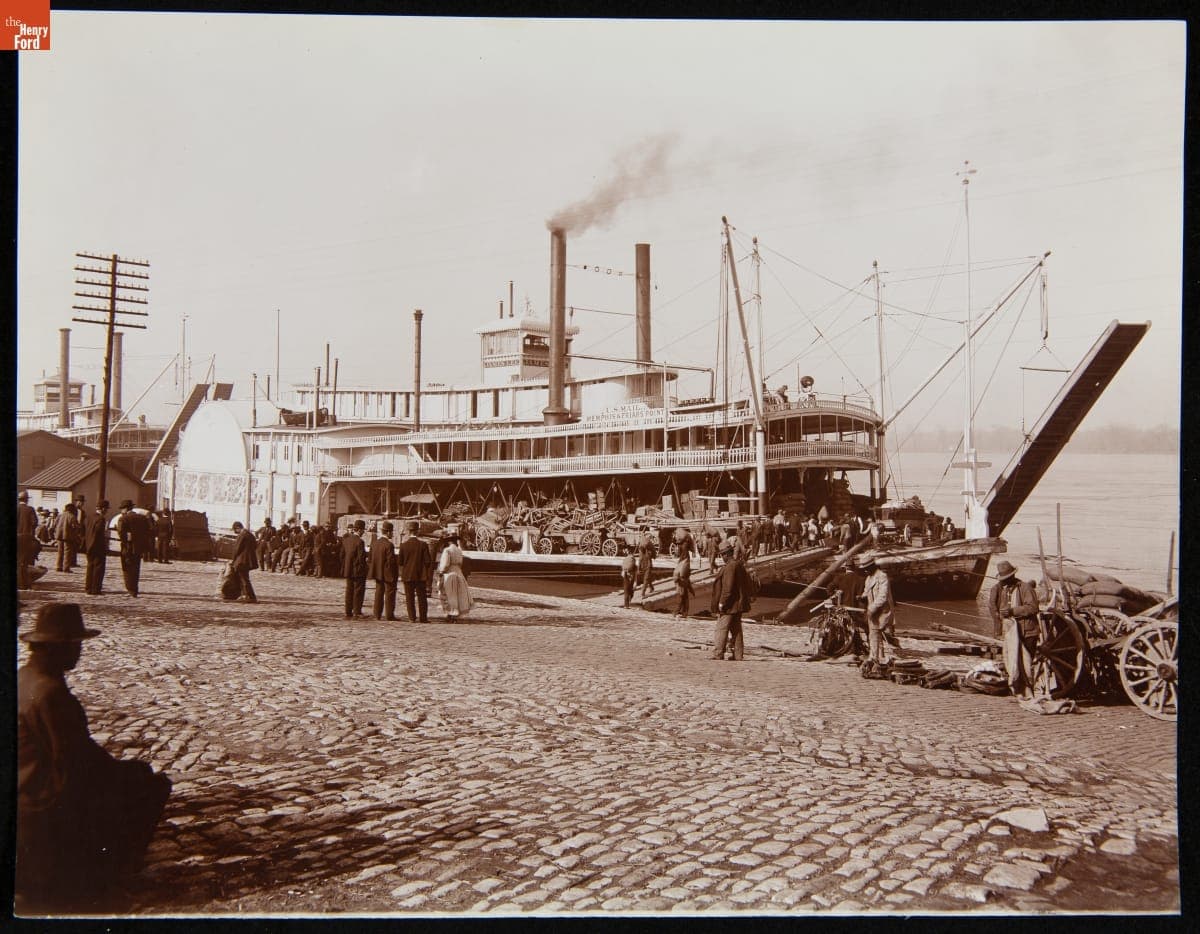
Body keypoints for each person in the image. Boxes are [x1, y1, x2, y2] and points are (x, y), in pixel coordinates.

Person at [16, 603, 172, 911]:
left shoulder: (24, 678)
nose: (79, 653)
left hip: (23, 790)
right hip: (38, 804)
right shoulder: (50, 694)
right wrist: (133, 773)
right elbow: (81, 763)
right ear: (60, 646)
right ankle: (100, 878)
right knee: (151, 786)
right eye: (76, 644)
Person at [988, 560, 1040, 695]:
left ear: (1012, 576)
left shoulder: (1025, 588)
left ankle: (1028, 690)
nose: (1004, 582)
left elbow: (1033, 608)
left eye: (1006, 579)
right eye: (1002, 579)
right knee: (1012, 661)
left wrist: (1012, 611)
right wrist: (998, 628)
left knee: (1026, 662)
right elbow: (993, 608)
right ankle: (1017, 689)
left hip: (1027, 631)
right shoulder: (998, 589)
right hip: (1010, 632)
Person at [710, 539, 753, 661]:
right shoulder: (738, 564)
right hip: (738, 604)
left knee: (721, 628)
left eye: (722, 554)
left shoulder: (730, 566)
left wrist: (722, 602)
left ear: (725, 554)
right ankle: (738, 655)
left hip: (730, 605)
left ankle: (718, 653)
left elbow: (728, 588)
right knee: (736, 630)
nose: (721, 557)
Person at [861, 557, 896, 664]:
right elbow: (866, 591)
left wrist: (872, 608)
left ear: (872, 566)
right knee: (874, 634)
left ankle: (876, 658)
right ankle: (876, 657)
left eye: (866, 568)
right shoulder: (869, 578)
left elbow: (882, 596)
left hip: (882, 611)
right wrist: (862, 596)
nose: (865, 570)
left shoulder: (882, 576)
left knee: (878, 633)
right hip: (873, 612)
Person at [397, 521, 434, 623]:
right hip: (420, 576)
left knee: (409, 598)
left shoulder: (403, 545)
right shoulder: (423, 545)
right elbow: (428, 561)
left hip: (407, 575)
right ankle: (423, 618)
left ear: (409, 532)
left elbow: (400, 562)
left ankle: (412, 617)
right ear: (417, 531)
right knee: (422, 598)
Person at [115, 501, 151, 597]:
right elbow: (148, 531)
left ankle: (130, 589)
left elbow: (121, 534)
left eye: (122, 509)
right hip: (138, 548)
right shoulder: (142, 518)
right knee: (136, 568)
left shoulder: (123, 519)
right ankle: (135, 589)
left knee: (127, 569)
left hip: (127, 547)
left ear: (125, 509)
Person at [436, 533, 473, 621]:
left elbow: (445, 564)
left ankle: (450, 613)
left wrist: (441, 572)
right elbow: (460, 563)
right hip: (458, 572)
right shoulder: (459, 550)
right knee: (457, 594)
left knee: (449, 593)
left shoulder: (447, 550)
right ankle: (456, 614)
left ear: (449, 541)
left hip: (449, 573)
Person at [369, 521, 399, 621]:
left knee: (378, 593)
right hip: (388, 573)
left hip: (377, 572)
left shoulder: (375, 543)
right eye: (392, 532)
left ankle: (377, 614)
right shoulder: (389, 545)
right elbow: (390, 562)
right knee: (389, 594)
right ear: (389, 532)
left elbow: (370, 559)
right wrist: (394, 574)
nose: (392, 534)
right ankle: (389, 615)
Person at [341, 519, 368, 619]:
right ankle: (357, 611)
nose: (363, 532)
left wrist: (345, 566)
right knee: (358, 591)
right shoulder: (360, 542)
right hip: (358, 571)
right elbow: (361, 558)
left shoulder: (346, 540)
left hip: (348, 569)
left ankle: (348, 611)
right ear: (360, 530)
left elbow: (342, 555)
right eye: (363, 530)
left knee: (349, 590)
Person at [83, 500, 111, 595]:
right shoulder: (101, 519)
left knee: (90, 567)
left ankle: (88, 587)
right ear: (103, 509)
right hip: (97, 546)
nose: (107, 511)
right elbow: (98, 533)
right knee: (98, 568)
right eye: (106, 509)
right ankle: (96, 589)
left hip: (89, 545)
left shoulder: (89, 517)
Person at [230, 520, 259, 603]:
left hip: (242, 561)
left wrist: (233, 559)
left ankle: (250, 596)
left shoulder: (242, 535)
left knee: (244, 579)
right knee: (244, 578)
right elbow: (255, 546)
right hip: (249, 560)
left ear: (238, 528)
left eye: (235, 530)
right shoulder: (250, 535)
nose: (235, 532)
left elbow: (237, 549)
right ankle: (245, 595)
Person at [17, 491, 40, 590]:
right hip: (26, 537)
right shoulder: (30, 509)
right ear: (26, 499)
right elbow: (34, 522)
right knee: (24, 561)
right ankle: (23, 583)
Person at [55, 502, 79, 572]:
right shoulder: (72, 516)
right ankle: (66, 567)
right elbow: (75, 527)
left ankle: (58, 566)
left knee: (60, 552)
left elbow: (55, 524)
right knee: (67, 552)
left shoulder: (60, 515)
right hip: (68, 536)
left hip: (59, 535)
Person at [672, 552, 694, 619]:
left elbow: (688, 584)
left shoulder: (683, 566)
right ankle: (675, 613)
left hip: (683, 587)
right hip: (681, 588)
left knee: (685, 602)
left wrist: (692, 591)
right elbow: (676, 578)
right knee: (680, 602)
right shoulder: (683, 566)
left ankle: (684, 614)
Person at [637, 531, 656, 598]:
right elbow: (653, 553)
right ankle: (652, 588)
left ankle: (643, 593)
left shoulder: (643, 552)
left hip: (646, 565)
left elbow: (640, 560)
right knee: (647, 578)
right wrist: (638, 569)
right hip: (646, 565)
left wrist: (639, 568)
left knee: (646, 579)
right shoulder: (648, 550)